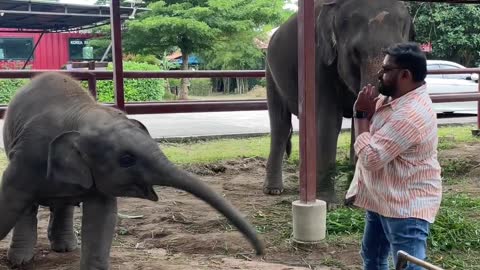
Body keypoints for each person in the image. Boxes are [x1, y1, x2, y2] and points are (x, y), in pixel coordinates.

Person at [345, 42, 442, 270]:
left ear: (405, 75)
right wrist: (366, 115)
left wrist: (360, 117)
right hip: (382, 198)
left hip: (405, 207)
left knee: (408, 266)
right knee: (373, 257)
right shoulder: (390, 99)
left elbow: (370, 158)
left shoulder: (410, 113)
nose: (379, 74)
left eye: (387, 70)